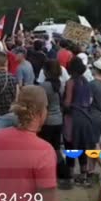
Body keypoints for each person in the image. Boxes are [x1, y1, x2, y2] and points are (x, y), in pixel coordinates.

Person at [63, 57, 95, 187]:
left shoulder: (71, 82)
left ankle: (70, 176)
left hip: (73, 118)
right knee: (82, 146)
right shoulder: (86, 81)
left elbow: (67, 102)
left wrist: (63, 105)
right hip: (86, 117)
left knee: (70, 147)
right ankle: (83, 175)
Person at [38, 60, 67, 189]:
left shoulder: (44, 86)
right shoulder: (60, 84)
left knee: (45, 150)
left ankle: (47, 174)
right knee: (55, 148)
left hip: (47, 120)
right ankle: (62, 172)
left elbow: (41, 104)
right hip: (58, 119)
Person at [88, 58, 101, 173]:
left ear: (96, 70)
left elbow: (89, 101)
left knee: (94, 146)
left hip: (93, 117)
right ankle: (90, 170)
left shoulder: (92, 84)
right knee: (94, 143)